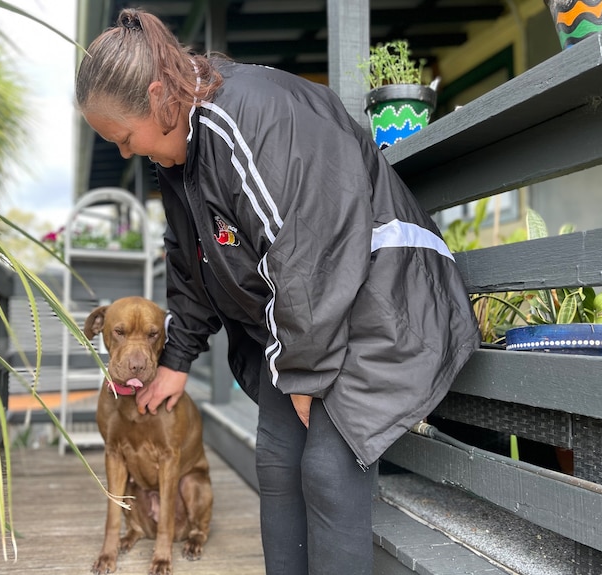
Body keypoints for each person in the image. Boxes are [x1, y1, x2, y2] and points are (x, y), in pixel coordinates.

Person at [75, 8, 480, 575]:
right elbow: (192, 263)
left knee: (327, 469)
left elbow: (309, 252)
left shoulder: (246, 116)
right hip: (301, 322)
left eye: (122, 137)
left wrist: (306, 374)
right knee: (276, 457)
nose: (124, 152)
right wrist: (180, 357)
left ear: (156, 94)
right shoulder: (179, 152)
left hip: (386, 299)